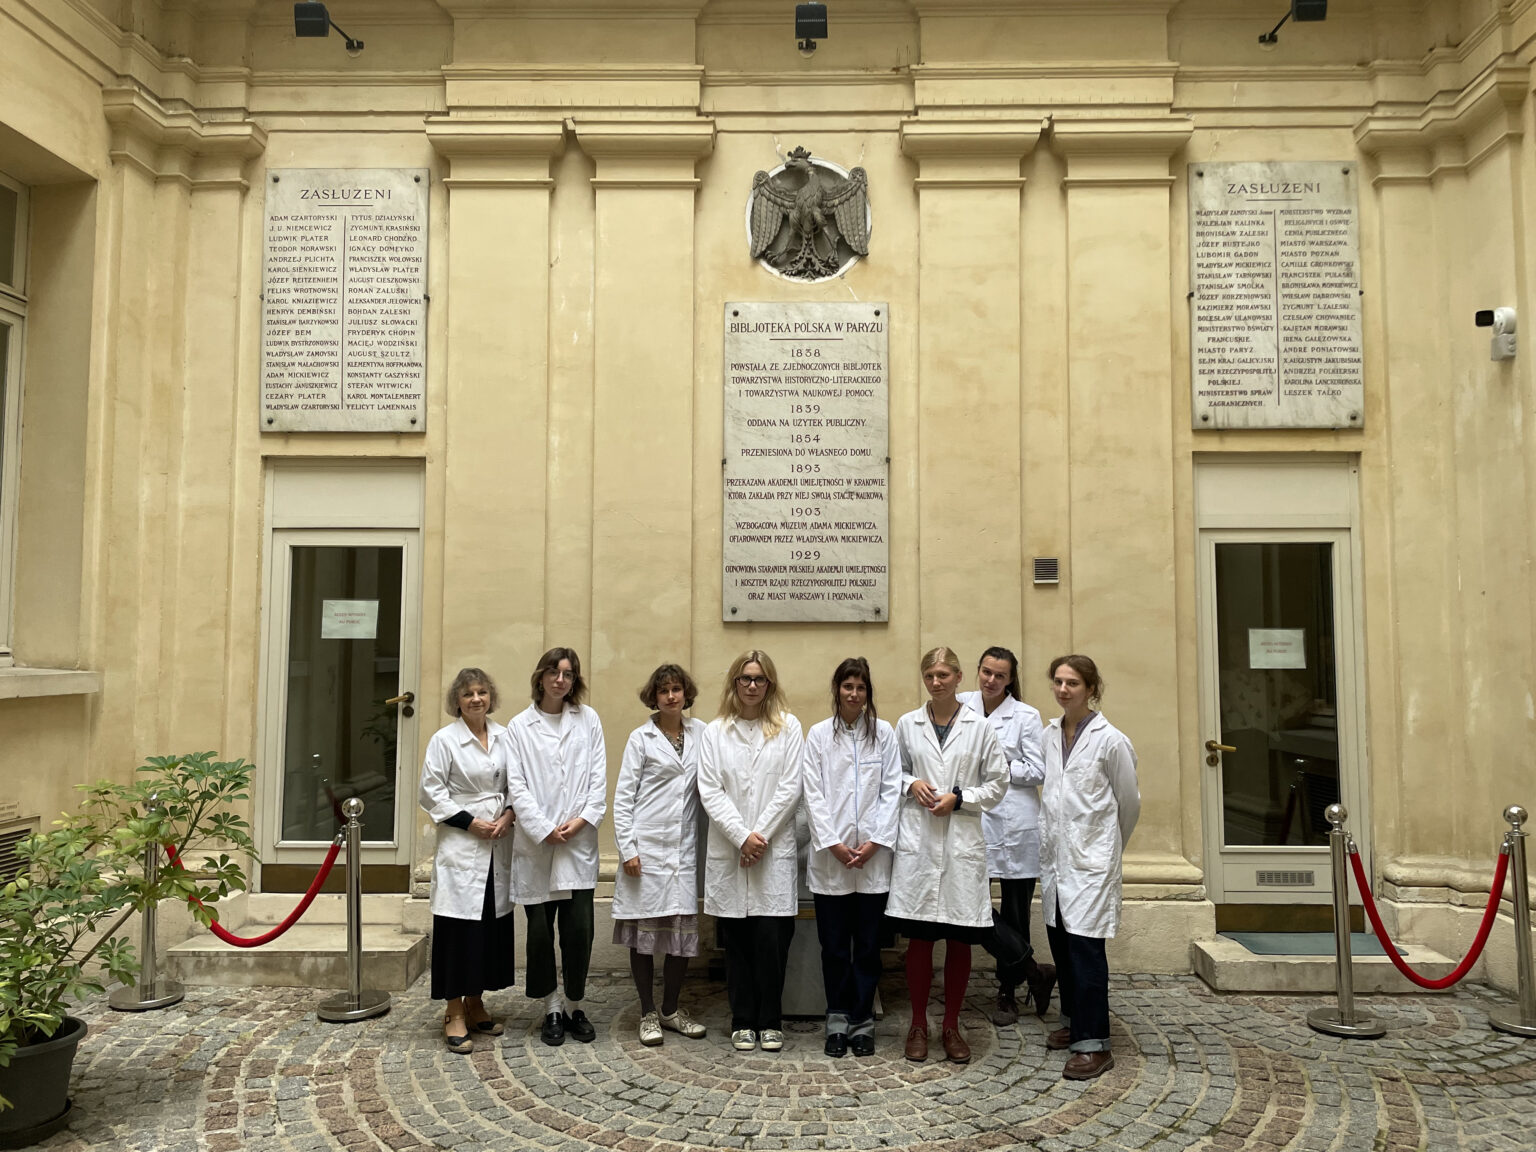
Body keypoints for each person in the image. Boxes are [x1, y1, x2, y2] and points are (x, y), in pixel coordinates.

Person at [886, 647, 1008, 1064]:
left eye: (943, 675)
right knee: (920, 937)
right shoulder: (908, 724)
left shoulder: (980, 727)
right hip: (919, 842)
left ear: (958, 677)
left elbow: (998, 783)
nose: (936, 682)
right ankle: (918, 1024)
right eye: (929, 675)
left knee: (960, 936)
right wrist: (911, 783)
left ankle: (952, 1025)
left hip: (961, 842)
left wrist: (961, 797)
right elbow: (892, 772)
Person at [1038, 654, 1140, 1081]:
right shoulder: (1049, 734)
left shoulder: (1111, 740)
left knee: (1085, 951)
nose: (1064, 690)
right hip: (1057, 860)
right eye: (1059, 682)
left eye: (1073, 683)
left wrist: (1105, 850)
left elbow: (1129, 803)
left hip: (1091, 862)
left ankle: (1094, 1043)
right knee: (1061, 944)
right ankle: (1072, 1020)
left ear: (1091, 689)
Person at [698, 650, 804, 1053]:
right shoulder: (715, 732)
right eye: (746, 678)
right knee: (738, 942)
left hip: (770, 851)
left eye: (760, 679)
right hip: (732, 850)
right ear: (735, 683)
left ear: (770, 684)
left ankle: (770, 1020)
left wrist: (759, 836)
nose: (753, 686)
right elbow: (710, 790)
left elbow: (791, 787)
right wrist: (742, 836)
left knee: (772, 941)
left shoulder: (789, 727)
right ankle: (742, 1019)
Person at [506, 647, 608, 1047]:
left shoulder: (589, 719)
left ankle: (574, 1005)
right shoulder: (519, 726)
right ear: (541, 677)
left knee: (579, 931)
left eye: (567, 674)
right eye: (553, 672)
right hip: (537, 847)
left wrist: (581, 820)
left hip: (577, 843)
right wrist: (543, 828)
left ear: (574, 680)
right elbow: (517, 786)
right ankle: (550, 1006)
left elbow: (598, 779)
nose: (560, 680)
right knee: (539, 934)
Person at [801, 657, 901, 1058]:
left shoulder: (884, 734)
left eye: (860, 687)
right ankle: (837, 1021)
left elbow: (891, 790)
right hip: (832, 861)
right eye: (848, 686)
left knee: (869, 948)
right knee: (835, 948)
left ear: (867, 692)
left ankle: (862, 1022)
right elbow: (813, 794)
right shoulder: (818, 735)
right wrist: (834, 844)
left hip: (873, 860)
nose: (854, 694)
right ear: (837, 690)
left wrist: (875, 842)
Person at [418, 668, 516, 1054]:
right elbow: (431, 792)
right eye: (468, 694)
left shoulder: (506, 736)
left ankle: (476, 1003)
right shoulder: (444, 740)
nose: (476, 699)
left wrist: (509, 815)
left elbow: (518, 784)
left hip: (498, 841)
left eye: (482, 692)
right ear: (456, 701)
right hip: (462, 842)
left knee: (489, 927)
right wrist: (470, 822)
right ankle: (454, 1011)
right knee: (458, 930)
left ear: (490, 697)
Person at [611, 663, 710, 1047]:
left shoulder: (702, 733)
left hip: (682, 850)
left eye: (677, 689)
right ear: (654, 697)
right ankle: (648, 1012)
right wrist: (628, 849)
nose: (671, 696)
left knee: (680, 933)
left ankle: (671, 1009)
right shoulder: (641, 738)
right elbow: (624, 797)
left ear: (686, 694)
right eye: (664, 690)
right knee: (644, 935)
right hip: (647, 847)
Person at [958, 645, 1056, 1025]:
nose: (991, 680)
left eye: (1000, 675)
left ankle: (1008, 992)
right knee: (971, 904)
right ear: (978, 670)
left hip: (1015, 823)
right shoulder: (961, 705)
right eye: (986, 672)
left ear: (1011, 679)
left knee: (1016, 912)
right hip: (972, 819)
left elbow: (1038, 770)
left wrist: (997, 766)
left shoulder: (1026, 716)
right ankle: (1032, 968)